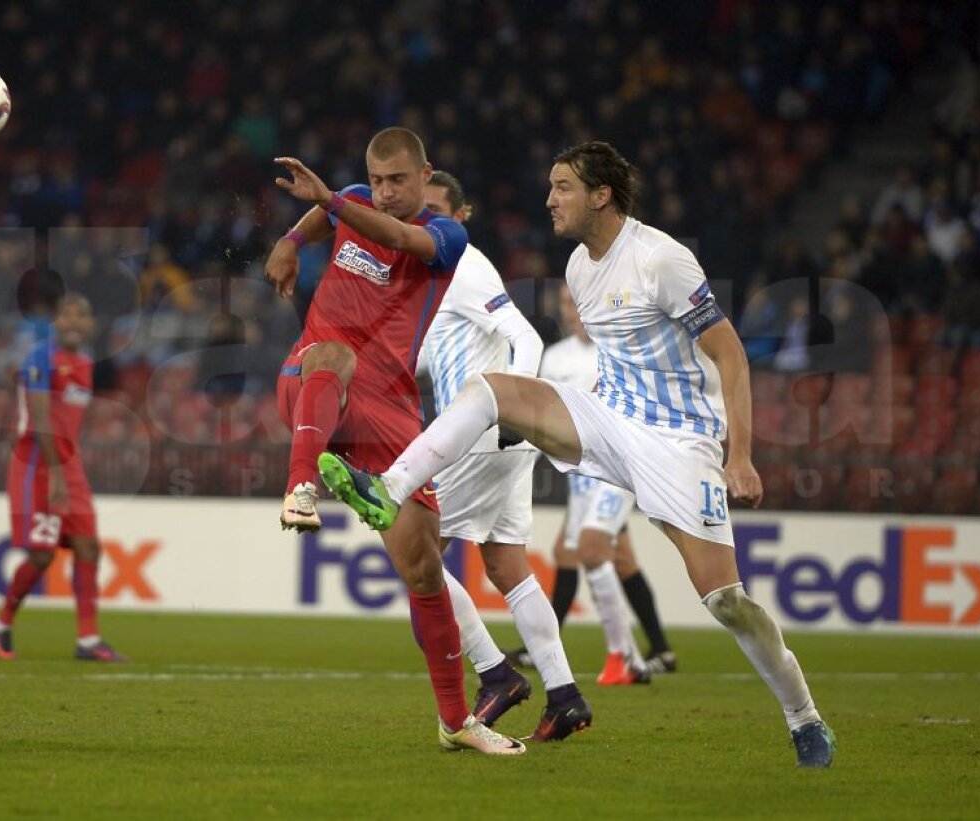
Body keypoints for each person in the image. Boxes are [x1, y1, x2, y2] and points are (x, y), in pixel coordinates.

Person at [319, 141, 836, 768]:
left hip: (678, 443)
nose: (549, 199)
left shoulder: (661, 259)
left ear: (601, 195)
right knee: (492, 390)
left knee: (725, 600)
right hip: (610, 420)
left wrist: (741, 455)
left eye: (562, 187)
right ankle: (389, 488)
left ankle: (803, 715)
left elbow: (730, 353)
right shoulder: (579, 268)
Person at [265, 127, 524, 755]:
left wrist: (331, 202)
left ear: (424, 174)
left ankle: (457, 722)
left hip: (390, 407)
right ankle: (303, 482)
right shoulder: (350, 201)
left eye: (397, 181)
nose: (383, 193)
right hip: (315, 382)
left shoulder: (445, 235)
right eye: (375, 181)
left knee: (424, 568)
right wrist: (291, 239)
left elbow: (399, 238)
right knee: (328, 352)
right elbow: (331, 219)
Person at [417, 171, 590, 739]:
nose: (428, 219)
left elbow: (529, 339)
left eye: (440, 209)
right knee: (508, 567)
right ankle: (564, 695)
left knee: (416, 556)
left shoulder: (465, 266)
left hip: (483, 429)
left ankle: (497, 675)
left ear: (461, 216)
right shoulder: (427, 277)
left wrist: (511, 406)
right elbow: (425, 361)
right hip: (497, 434)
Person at [506, 287, 675, 684]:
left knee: (587, 548)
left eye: (579, 303)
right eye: (566, 303)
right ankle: (655, 650)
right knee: (598, 555)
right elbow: (545, 412)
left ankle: (621, 658)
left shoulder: (617, 349)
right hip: (581, 473)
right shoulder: (555, 356)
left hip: (618, 467)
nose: (573, 311)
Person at [0, 293, 127, 663]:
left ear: (90, 324)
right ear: (55, 321)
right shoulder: (40, 356)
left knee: (88, 547)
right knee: (41, 555)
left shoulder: (84, 363)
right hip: (37, 464)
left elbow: (71, 422)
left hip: (69, 465)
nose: (72, 321)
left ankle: (88, 640)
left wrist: (68, 470)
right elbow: (42, 419)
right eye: (66, 314)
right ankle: (1, 625)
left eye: (80, 315)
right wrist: (56, 476)